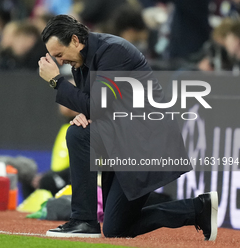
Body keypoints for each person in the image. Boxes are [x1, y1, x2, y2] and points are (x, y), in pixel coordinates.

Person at [38, 15, 218, 240]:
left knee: (78, 135)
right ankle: (197, 209)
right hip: (123, 141)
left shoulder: (113, 52)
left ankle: (84, 220)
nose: (61, 62)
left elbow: (97, 105)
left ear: (75, 40)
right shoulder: (83, 61)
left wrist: (57, 82)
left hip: (145, 145)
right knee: (116, 229)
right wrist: (85, 115)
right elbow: (96, 105)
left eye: (60, 55)